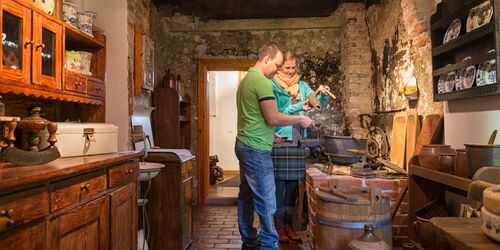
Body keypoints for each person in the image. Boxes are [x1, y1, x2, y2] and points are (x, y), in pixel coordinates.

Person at [235, 43, 315, 250]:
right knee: (267, 200)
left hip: (245, 143)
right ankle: (269, 245)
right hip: (255, 149)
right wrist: (300, 119)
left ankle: (249, 240)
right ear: (267, 59)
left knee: (246, 197)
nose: (278, 70)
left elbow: (253, 117)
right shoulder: (262, 82)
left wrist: (270, 134)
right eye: (277, 65)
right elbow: (273, 117)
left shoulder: (247, 80)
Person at [271, 51, 329, 243]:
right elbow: (277, 113)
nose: (290, 71)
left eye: (293, 67)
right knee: (278, 188)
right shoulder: (272, 85)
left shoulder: (302, 86)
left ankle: (289, 226)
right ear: (279, 67)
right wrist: (299, 108)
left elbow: (316, 104)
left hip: (297, 142)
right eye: (287, 67)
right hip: (280, 142)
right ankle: (278, 227)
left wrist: (323, 96)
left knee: (292, 190)